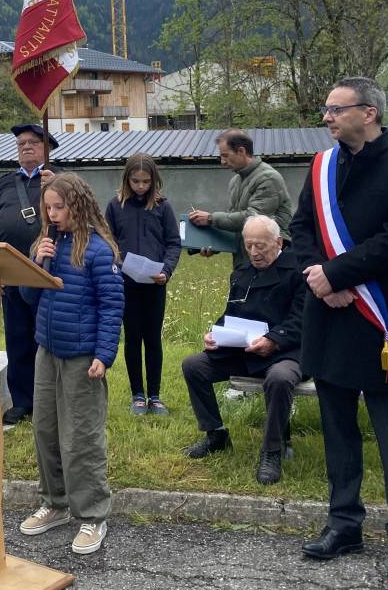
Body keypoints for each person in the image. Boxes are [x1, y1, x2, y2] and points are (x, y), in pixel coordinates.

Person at [291, 76, 388, 586]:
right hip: (329, 315)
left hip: (381, 321)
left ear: (368, 112)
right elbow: (302, 229)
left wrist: (336, 274)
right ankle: (345, 523)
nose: (326, 118)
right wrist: (319, 278)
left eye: (335, 109)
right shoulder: (322, 167)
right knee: (338, 429)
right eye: (326, 110)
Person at [17, 174, 124, 555]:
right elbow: (29, 297)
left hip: (82, 357)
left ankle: (93, 515)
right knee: (45, 431)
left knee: (80, 438)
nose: (52, 214)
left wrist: (103, 355)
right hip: (47, 351)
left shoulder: (98, 250)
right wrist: (37, 262)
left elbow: (112, 307)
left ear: (77, 206)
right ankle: (55, 503)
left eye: (58, 207)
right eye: (48, 208)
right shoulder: (46, 245)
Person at [181, 215, 304, 484]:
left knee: (280, 378)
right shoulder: (242, 273)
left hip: (287, 351)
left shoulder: (298, 271)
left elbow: (302, 320)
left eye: (261, 246)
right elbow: (230, 314)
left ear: (278, 242)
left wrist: (273, 339)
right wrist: (213, 334)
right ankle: (216, 434)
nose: (254, 252)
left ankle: (273, 450)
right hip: (245, 351)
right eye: (249, 245)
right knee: (194, 366)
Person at [0, 122, 57, 425]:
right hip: (10, 275)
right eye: (21, 144)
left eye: (33, 143)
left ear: (46, 149)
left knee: (44, 340)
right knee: (17, 339)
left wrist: (58, 184)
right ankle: (22, 401)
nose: (25, 147)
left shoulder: (58, 179)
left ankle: (46, 401)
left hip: (46, 275)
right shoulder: (4, 183)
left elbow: (78, 218)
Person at [105, 154, 181, 415]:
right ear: (127, 179)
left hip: (155, 283)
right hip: (126, 284)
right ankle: (137, 394)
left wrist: (167, 270)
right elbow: (109, 241)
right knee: (133, 338)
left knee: (152, 338)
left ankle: (155, 396)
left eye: (145, 181)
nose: (140, 186)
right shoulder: (115, 206)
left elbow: (173, 243)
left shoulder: (163, 207)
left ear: (154, 181)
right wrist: (120, 260)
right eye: (135, 181)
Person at [188, 129, 293, 269]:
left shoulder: (268, 178)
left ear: (241, 151)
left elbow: (252, 218)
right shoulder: (235, 181)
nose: (222, 162)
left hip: (271, 261)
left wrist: (211, 219)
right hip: (244, 261)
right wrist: (213, 243)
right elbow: (236, 227)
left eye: (225, 155)